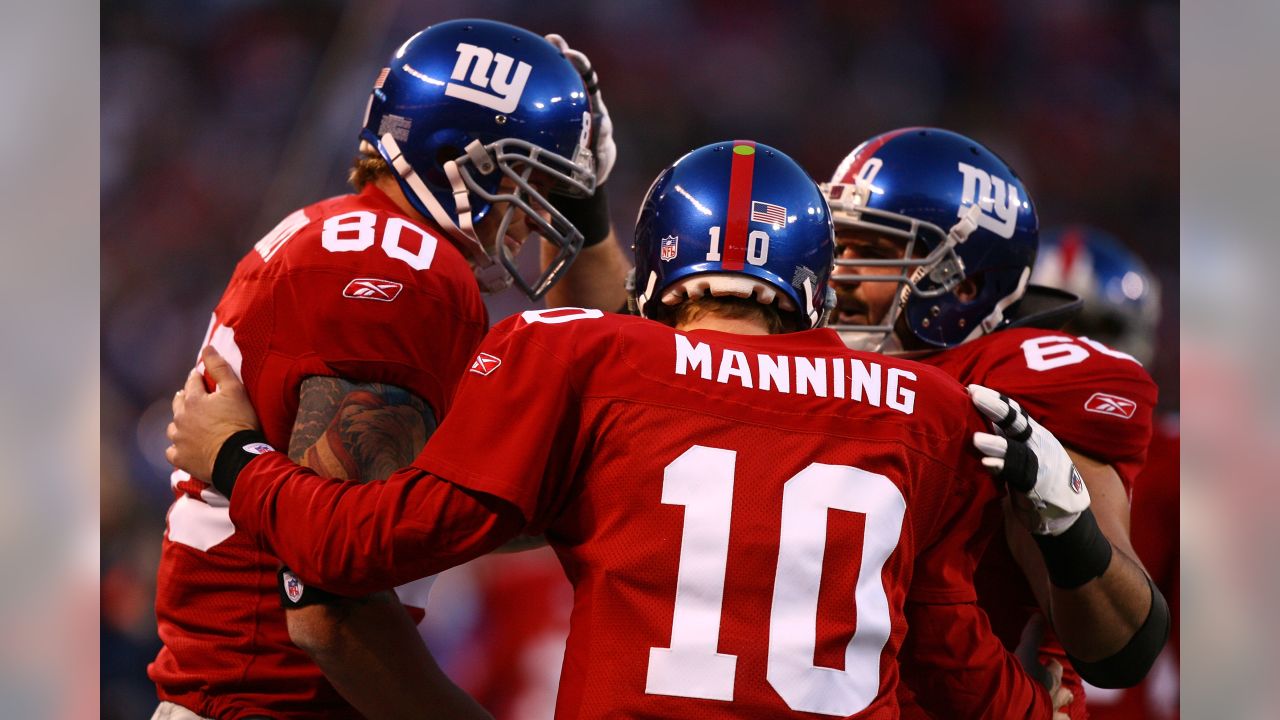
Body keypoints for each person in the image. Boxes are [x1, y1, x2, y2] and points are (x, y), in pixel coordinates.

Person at [166, 140, 1072, 719]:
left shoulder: (584, 357)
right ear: (815, 286)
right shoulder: (922, 406)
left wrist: (237, 459)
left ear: (656, 277)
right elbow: (957, 661)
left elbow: (356, 550)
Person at [148, 19, 629, 720]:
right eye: (535, 179)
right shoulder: (394, 273)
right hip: (271, 703)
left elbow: (604, 370)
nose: (543, 213)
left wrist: (592, 208)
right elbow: (330, 611)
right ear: (463, 160)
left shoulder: (384, 252)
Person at [822, 128, 1171, 718]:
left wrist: (1067, 528)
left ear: (962, 286)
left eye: (872, 248)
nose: (837, 274)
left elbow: (1122, 647)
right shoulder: (789, 356)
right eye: (837, 246)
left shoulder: (1013, 390)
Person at [1032, 227, 1179, 719]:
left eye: (1098, 330)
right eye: (1057, 329)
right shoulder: (955, 432)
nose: (1076, 352)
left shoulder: (1182, 460)